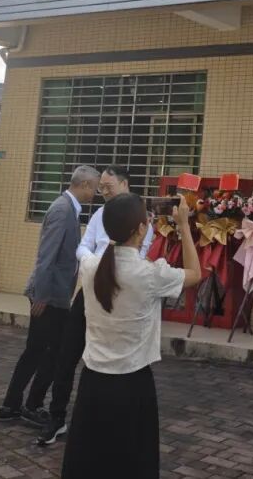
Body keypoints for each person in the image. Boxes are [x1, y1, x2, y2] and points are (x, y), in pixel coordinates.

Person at [60, 192, 202, 477]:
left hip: (93, 383)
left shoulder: (90, 268)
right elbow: (195, 273)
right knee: (131, 464)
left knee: (89, 462)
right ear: (140, 229)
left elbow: (94, 256)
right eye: (146, 220)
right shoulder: (150, 274)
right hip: (132, 384)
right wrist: (184, 226)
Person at [38, 165, 153, 446]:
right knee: (67, 353)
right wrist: (94, 262)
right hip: (91, 287)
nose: (104, 192)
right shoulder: (100, 214)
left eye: (108, 187)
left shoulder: (142, 220)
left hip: (122, 293)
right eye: (101, 187)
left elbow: (141, 254)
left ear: (124, 184)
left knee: (115, 361)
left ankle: (111, 425)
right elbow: (82, 246)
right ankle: (57, 417)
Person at [0, 165, 99, 426]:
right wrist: (42, 296)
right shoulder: (63, 210)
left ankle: (16, 404)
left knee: (42, 351)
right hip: (50, 295)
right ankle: (24, 405)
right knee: (45, 352)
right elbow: (46, 257)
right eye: (95, 188)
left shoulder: (68, 209)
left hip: (55, 294)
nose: (95, 193)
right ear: (85, 185)